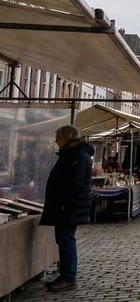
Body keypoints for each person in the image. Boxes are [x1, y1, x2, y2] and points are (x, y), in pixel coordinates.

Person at [39, 125, 94, 292]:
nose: (56, 141)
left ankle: (69, 277)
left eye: (58, 137)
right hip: (68, 206)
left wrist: (61, 200)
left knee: (66, 241)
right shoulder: (74, 154)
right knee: (64, 240)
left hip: (68, 207)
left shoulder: (76, 155)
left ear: (66, 137)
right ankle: (66, 275)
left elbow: (74, 183)